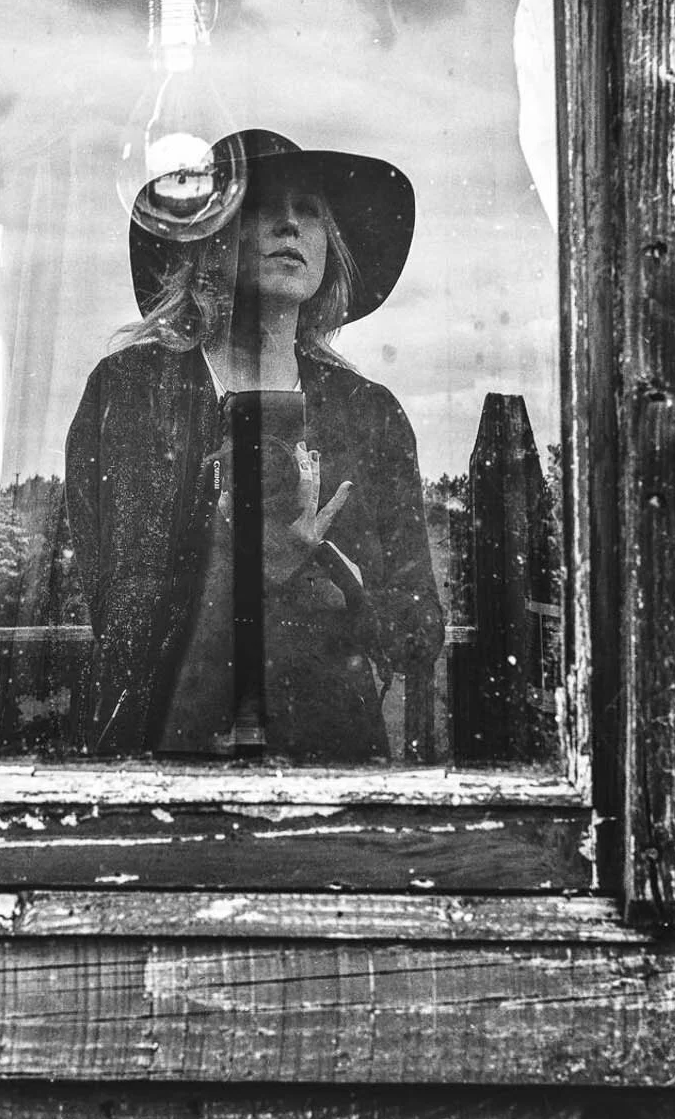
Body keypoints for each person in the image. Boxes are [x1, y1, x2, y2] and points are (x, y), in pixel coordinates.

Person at [64, 128, 445, 761]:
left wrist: (340, 575)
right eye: (263, 208)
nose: (290, 227)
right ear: (210, 240)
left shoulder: (367, 414)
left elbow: (416, 630)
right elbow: (123, 624)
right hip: (169, 755)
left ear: (331, 251)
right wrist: (240, 566)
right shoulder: (132, 393)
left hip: (331, 757)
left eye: (311, 213)